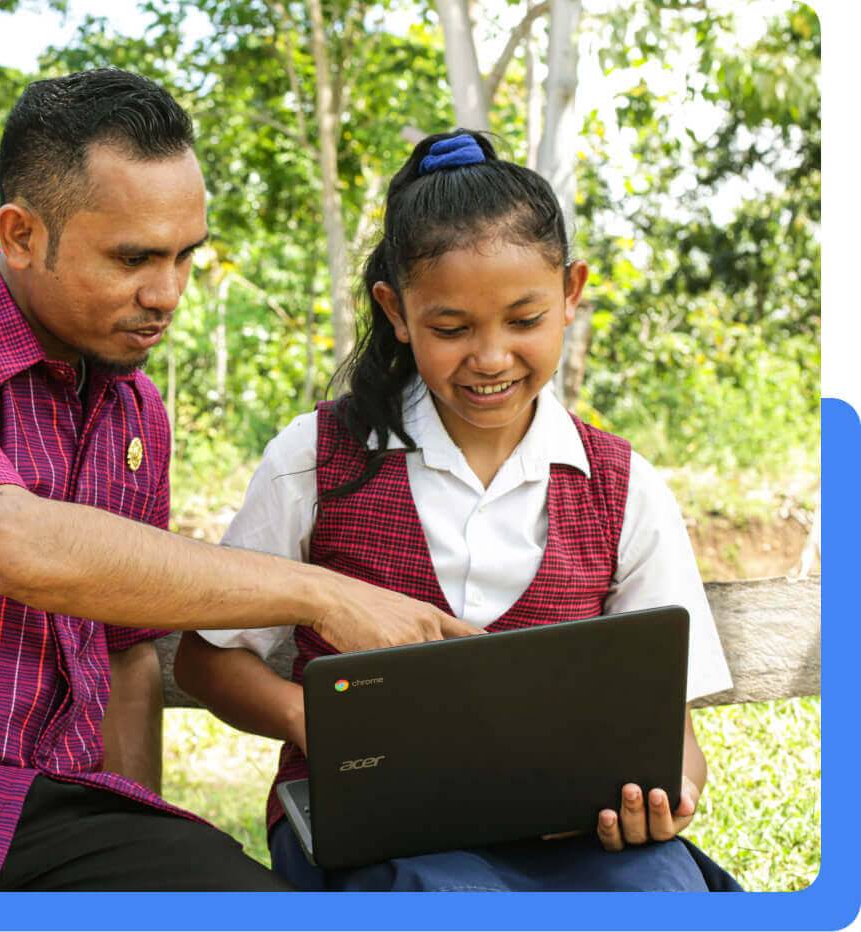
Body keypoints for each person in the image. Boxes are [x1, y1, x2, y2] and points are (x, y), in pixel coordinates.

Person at [0, 70, 478, 893]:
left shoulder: (135, 410)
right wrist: (323, 594)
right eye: (134, 258)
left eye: (187, 255)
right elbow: (15, 545)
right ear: (20, 235)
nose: (168, 294)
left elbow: (126, 660)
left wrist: (137, 833)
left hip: (67, 818)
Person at [175, 130, 743, 892]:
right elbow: (208, 658)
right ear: (397, 311)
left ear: (571, 294)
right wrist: (313, 724)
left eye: (524, 319)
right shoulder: (318, 460)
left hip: (578, 837)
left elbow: (671, 731)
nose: (491, 357)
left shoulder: (620, 485)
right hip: (382, 830)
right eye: (450, 329)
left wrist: (671, 793)